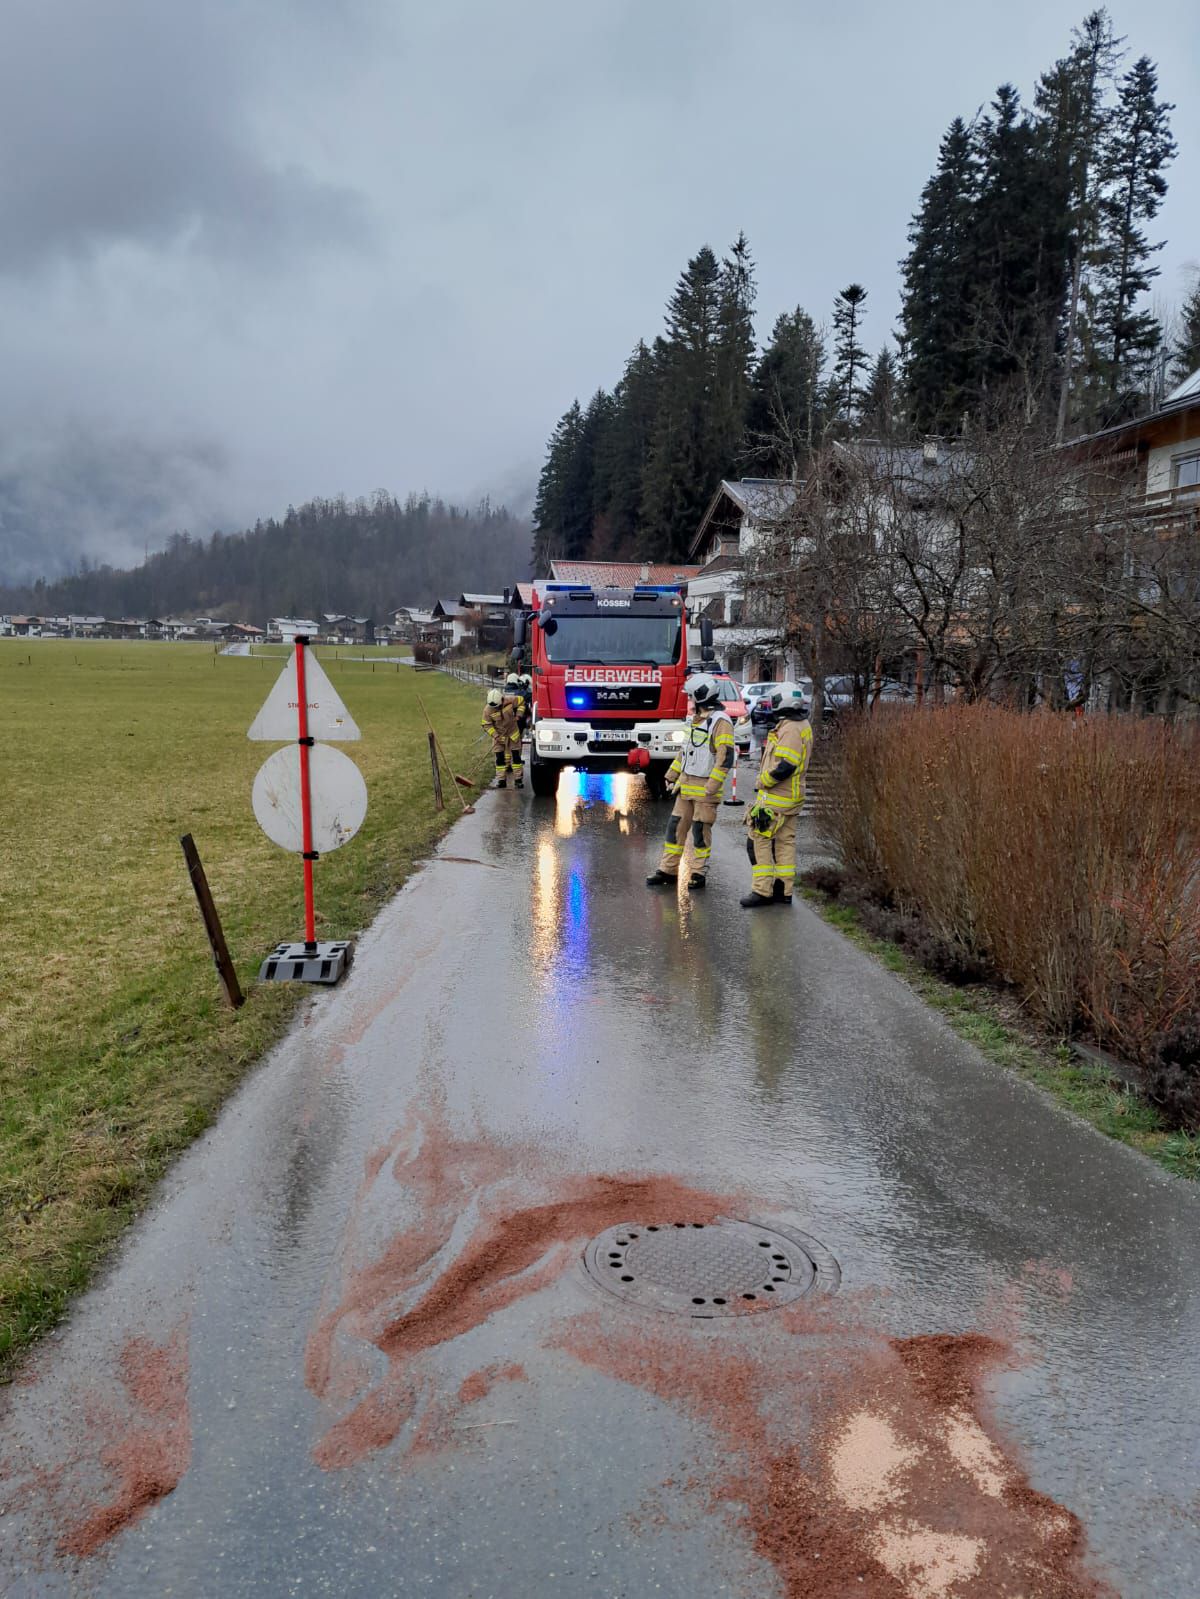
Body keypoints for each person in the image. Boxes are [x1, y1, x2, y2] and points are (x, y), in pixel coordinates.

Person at [646, 672, 735, 891]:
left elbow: (725, 758)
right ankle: (668, 870)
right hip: (686, 787)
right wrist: (670, 775)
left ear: (700, 696)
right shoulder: (694, 721)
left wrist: (711, 787)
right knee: (674, 829)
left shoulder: (720, 723)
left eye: (691, 697)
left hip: (705, 789)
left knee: (699, 833)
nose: (689, 700)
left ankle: (698, 873)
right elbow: (684, 753)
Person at [741, 682, 812, 908]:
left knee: (758, 839)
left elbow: (786, 765)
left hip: (777, 798)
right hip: (791, 797)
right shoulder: (801, 724)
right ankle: (783, 890)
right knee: (784, 842)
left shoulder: (790, 728)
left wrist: (764, 781)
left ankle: (763, 890)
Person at [483, 687, 523, 788]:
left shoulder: (510, 700)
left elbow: (521, 701)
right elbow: (486, 724)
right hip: (499, 736)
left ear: (501, 699)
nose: (495, 708)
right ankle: (501, 780)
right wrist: (495, 736)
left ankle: (518, 780)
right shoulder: (488, 710)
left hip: (513, 734)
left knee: (516, 757)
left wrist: (518, 715)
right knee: (499, 758)